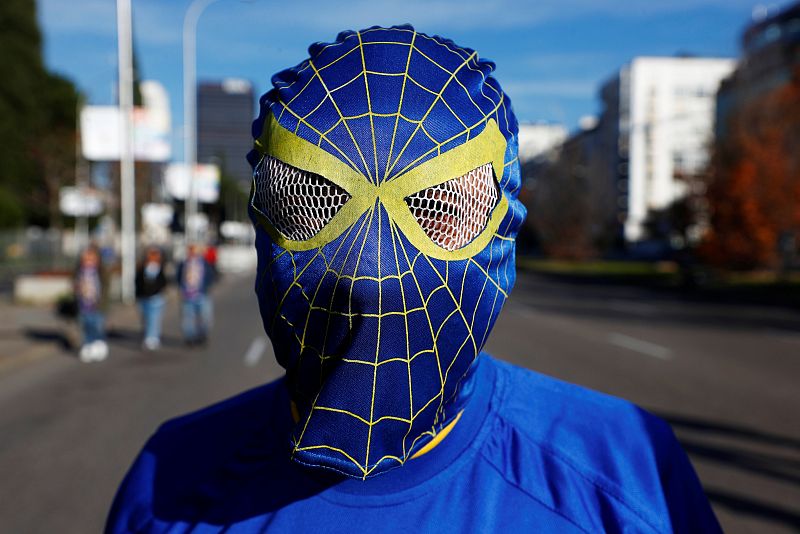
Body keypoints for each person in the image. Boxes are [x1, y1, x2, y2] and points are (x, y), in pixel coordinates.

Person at [107, 26, 721, 532]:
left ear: (502, 227)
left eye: (436, 207)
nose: (373, 271)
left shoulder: (627, 474)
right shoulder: (172, 479)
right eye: (315, 200)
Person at [75, 245, 109, 363]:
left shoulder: (100, 272)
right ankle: (87, 345)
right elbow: (75, 287)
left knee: (97, 326)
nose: (88, 261)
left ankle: (98, 344)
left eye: (91, 258)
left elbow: (105, 288)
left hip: (97, 305)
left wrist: (103, 303)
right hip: (83, 305)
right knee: (86, 326)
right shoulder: (79, 272)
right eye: (86, 259)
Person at [176, 244, 214, 345]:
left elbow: (211, 275)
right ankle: (190, 337)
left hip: (202, 294)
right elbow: (179, 277)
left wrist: (206, 287)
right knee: (188, 318)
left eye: (194, 250)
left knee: (205, 317)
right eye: (190, 250)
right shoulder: (183, 263)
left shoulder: (204, 263)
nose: (192, 252)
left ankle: (203, 335)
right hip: (187, 296)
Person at [135, 246, 168, 351]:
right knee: (146, 318)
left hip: (156, 299)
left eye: (155, 254)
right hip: (143, 298)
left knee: (154, 319)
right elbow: (138, 282)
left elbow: (163, 283)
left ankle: (153, 338)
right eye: (151, 254)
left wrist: (156, 291)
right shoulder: (142, 268)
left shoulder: (160, 268)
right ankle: (148, 335)